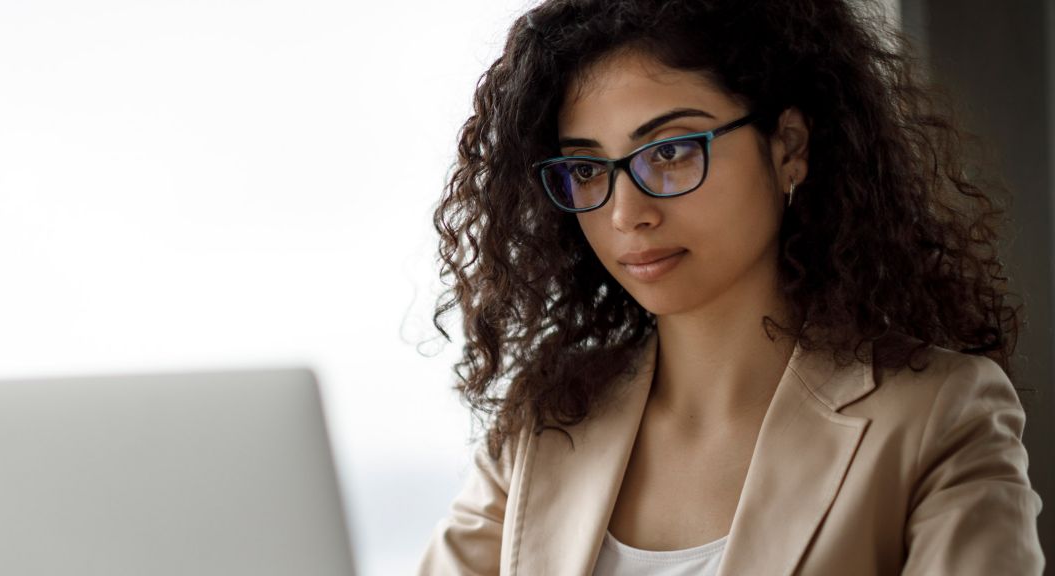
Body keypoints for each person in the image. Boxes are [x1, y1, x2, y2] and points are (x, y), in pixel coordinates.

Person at [416, 0, 1044, 574]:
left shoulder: (939, 415)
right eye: (585, 168)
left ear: (788, 147)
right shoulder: (543, 421)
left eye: (670, 153)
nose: (624, 213)